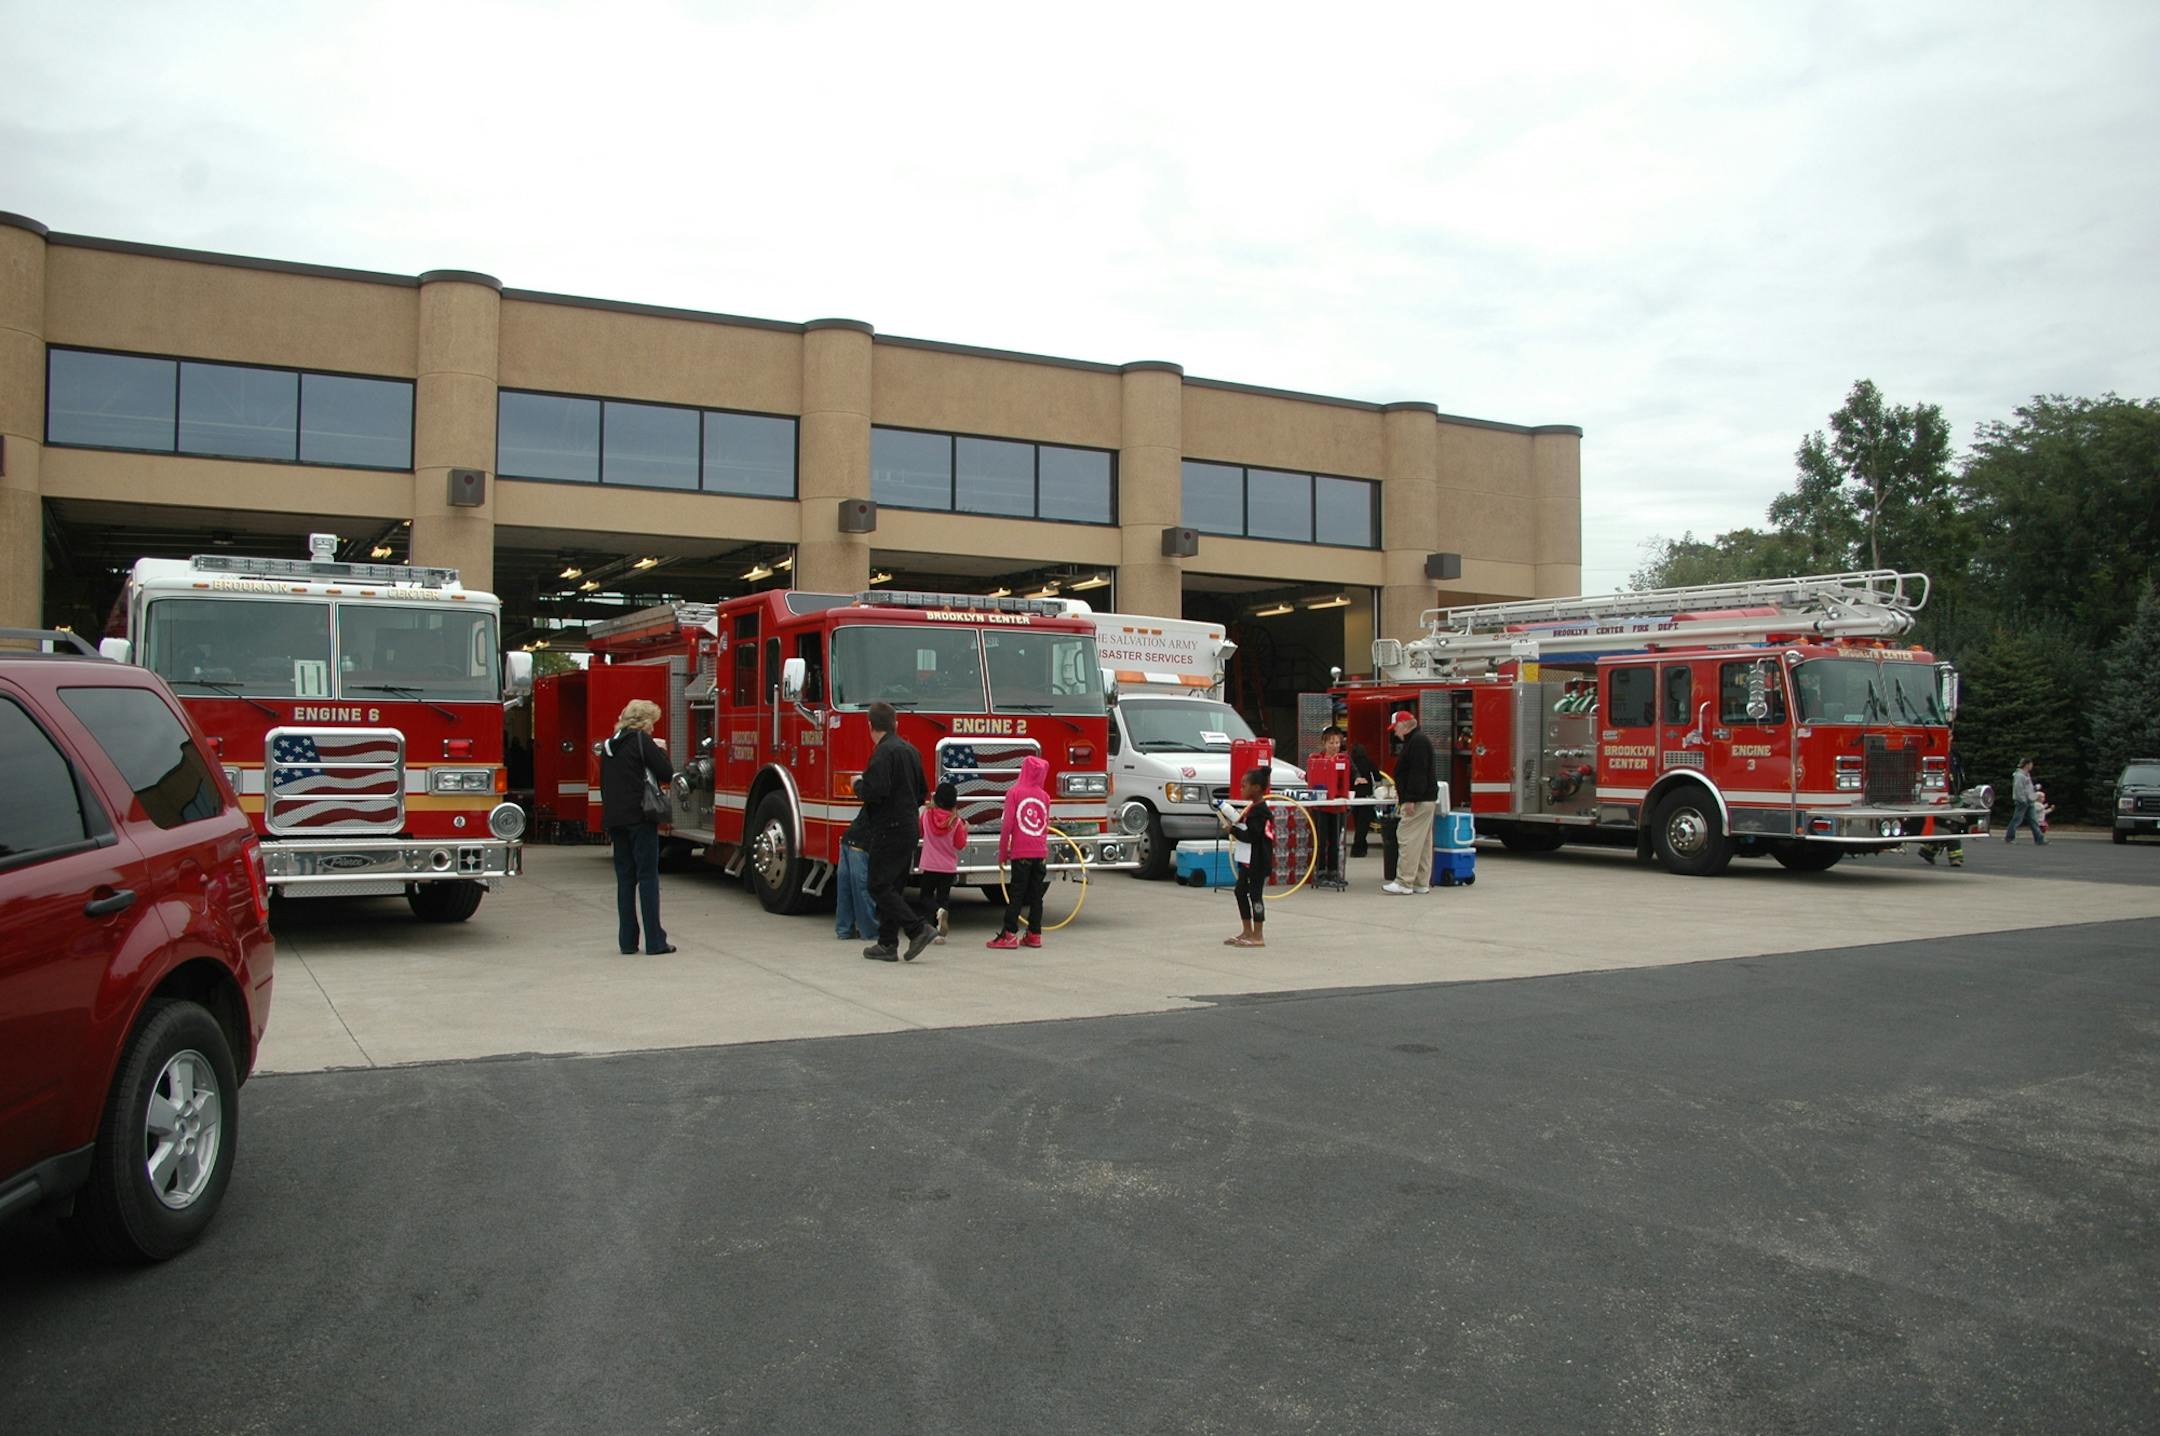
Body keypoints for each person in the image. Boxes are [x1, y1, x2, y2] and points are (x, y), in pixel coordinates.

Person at [854, 700, 937, 962]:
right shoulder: (911, 751)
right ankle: (887, 943)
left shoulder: (882, 753)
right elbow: (922, 791)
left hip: (888, 828)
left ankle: (918, 929)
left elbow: (875, 792)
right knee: (894, 886)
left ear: (870, 726)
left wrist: (858, 785)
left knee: (878, 885)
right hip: (909, 826)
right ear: (896, 724)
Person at [597, 698, 676, 955]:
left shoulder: (609, 746)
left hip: (615, 819)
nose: (653, 728)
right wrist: (660, 750)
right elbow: (666, 772)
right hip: (641, 817)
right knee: (647, 877)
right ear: (644, 722)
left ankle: (627, 941)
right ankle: (655, 941)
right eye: (652, 722)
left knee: (625, 879)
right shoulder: (642, 741)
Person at [987, 755, 1052, 950]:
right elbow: (1044, 826)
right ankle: (1034, 934)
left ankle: (1009, 934)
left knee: (1016, 894)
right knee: (1036, 896)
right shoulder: (1045, 796)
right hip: (1040, 852)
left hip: (1021, 853)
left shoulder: (1014, 793)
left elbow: (1007, 825)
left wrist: (1002, 853)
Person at [1218, 766, 1276, 947]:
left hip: (1257, 860)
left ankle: (1258, 935)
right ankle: (1247, 930)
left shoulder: (1260, 811)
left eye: (1244, 785)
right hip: (1247, 859)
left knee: (1255, 895)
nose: (1241, 788)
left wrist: (1232, 830)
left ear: (1256, 788)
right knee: (1240, 891)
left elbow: (1252, 836)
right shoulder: (1252, 808)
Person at [1382, 710, 1438, 894]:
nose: (1395, 732)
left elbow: (1417, 772)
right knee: (1422, 842)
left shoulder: (1417, 742)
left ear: (1404, 726)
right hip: (1425, 798)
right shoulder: (1418, 740)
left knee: (1407, 837)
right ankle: (1421, 882)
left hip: (1419, 799)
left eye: (1395, 728)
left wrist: (1410, 798)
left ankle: (1404, 882)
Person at [918, 781, 968, 943]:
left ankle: (934, 921)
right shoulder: (956, 822)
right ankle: (940, 934)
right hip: (948, 868)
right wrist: (965, 831)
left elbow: (921, 831)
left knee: (926, 896)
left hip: (930, 866)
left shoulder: (926, 815)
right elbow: (960, 845)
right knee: (943, 898)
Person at [1919, 742, 1967, 868]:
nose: (1948, 737)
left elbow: (1959, 775)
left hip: (1953, 795)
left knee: (1947, 825)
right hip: (1942, 796)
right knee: (1952, 826)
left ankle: (1928, 850)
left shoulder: (1955, 755)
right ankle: (1955, 858)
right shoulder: (1937, 753)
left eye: (1950, 734)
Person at [833, 834, 876, 942]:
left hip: (847, 840)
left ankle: (844, 930)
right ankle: (870, 932)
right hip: (862, 842)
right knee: (862, 889)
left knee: (845, 889)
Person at [2004, 757, 2047, 844]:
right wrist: (2022, 800)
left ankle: (2039, 839)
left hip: (2029, 801)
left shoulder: (2027, 775)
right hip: (2022, 802)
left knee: (2034, 820)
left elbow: (2028, 789)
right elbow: (2018, 789)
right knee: (2017, 820)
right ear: (2027, 765)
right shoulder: (2019, 775)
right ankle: (2009, 837)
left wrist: (2035, 789)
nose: (2032, 766)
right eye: (2031, 764)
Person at [1348, 739, 1379, 857]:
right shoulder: (1369, 763)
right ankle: (1359, 847)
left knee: (1357, 823)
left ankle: (1359, 847)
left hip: (1354, 797)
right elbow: (1377, 777)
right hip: (1367, 797)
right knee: (1364, 825)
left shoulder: (1351, 764)